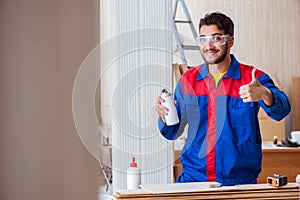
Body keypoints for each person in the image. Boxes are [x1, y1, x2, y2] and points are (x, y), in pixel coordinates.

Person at [155, 11, 291, 186]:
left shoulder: (252, 78)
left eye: (216, 38)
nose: (208, 45)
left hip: (240, 182)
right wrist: (164, 116)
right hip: (194, 179)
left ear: (230, 41)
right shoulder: (188, 80)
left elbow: (283, 110)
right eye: (203, 39)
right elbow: (173, 132)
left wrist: (265, 94)